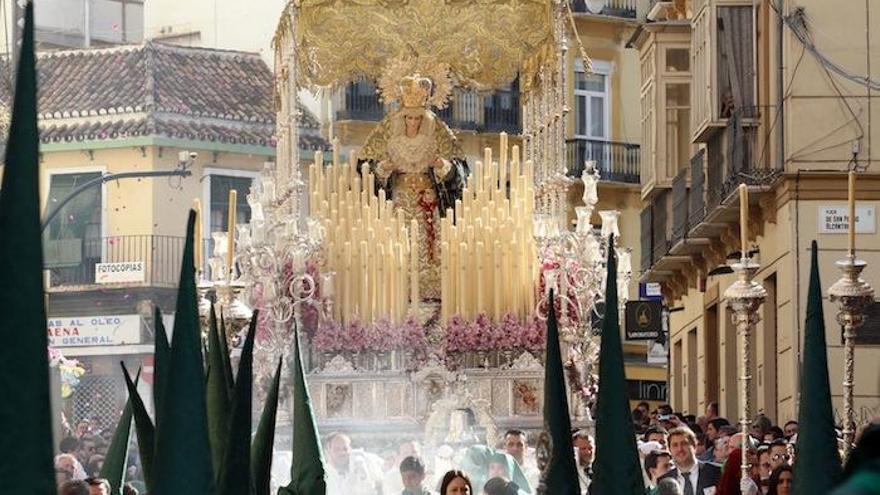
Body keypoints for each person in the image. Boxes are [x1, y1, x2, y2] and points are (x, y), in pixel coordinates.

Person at [358, 73, 469, 300]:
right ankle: (399, 291)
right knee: (401, 244)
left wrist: (441, 165)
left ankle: (432, 292)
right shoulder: (388, 133)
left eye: (418, 119)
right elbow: (364, 165)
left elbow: (460, 169)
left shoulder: (438, 131)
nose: (414, 123)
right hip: (399, 201)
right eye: (409, 118)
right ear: (403, 117)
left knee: (430, 247)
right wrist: (383, 168)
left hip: (427, 201)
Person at [659, 426, 721, 495]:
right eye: (675, 445)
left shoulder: (717, 472)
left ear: (694, 446)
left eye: (684, 443)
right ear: (670, 450)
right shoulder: (664, 481)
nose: (680, 449)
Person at [573, 430, 594, 495]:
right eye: (583, 448)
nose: (588, 452)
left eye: (590, 448)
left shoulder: (600, 469)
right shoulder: (569, 473)